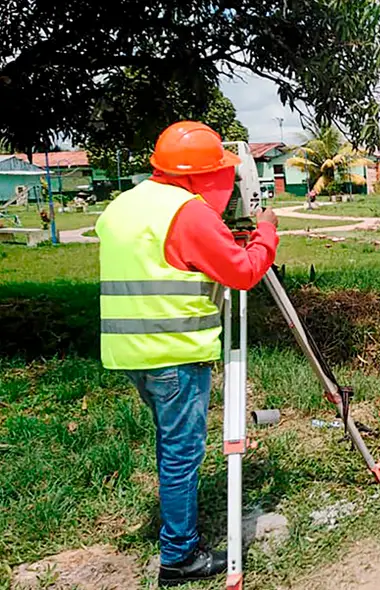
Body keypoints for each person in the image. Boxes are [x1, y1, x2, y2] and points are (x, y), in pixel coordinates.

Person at [96, 121, 280, 588]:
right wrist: (266, 235)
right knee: (180, 454)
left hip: (132, 353)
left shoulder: (126, 204)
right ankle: (179, 556)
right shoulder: (190, 213)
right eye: (224, 174)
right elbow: (242, 273)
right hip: (174, 353)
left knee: (170, 446)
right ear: (201, 178)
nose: (230, 183)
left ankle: (178, 536)